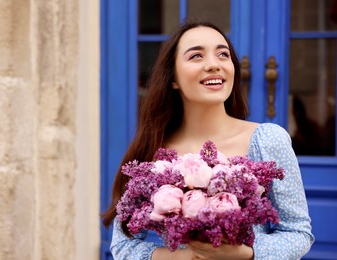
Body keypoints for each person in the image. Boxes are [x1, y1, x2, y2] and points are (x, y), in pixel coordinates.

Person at [102, 19, 314, 259]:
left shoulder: (267, 140)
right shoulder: (155, 150)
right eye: (196, 56)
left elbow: (298, 232)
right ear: (173, 78)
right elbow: (123, 246)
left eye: (223, 55)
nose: (214, 64)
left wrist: (245, 253)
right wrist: (181, 256)